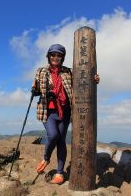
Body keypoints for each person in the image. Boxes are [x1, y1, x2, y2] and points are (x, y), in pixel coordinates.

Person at [31, 44, 100, 185]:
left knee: (61, 141)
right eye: (53, 54)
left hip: (65, 111)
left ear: (62, 57)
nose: (56, 57)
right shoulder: (41, 71)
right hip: (48, 111)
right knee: (53, 135)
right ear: (49, 56)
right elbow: (38, 89)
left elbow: (84, 81)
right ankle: (46, 158)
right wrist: (34, 88)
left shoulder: (69, 72)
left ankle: (59, 173)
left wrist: (94, 80)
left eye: (59, 55)